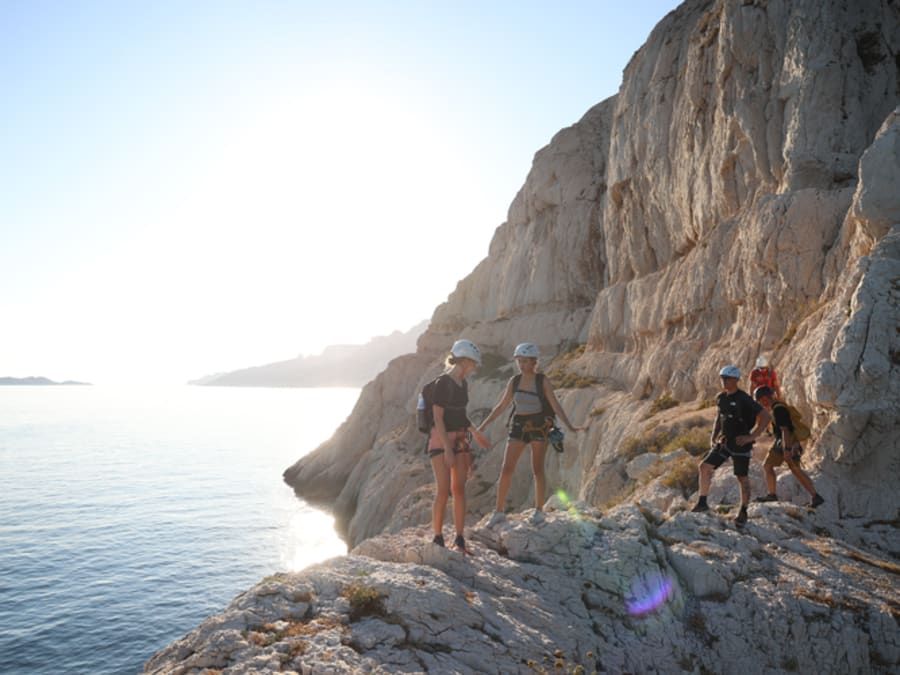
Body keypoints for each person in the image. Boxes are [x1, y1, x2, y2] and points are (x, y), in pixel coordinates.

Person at [477, 343, 587, 526]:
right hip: (518, 425)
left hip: (539, 427)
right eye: (519, 361)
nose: (521, 364)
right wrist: (484, 424)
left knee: (537, 469)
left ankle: (538, 510)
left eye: (525, 361)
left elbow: (555, 405)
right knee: (506, 468)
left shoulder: (542, 381)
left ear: (534, 362)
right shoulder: (514, 381)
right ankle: (498, 512)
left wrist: (570, 425)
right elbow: (502, 406)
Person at [426, 339, 489, 554]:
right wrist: (447, 449)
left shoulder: (464, 384)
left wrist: (476, 433)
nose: (475, 367)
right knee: (443, 490)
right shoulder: (443, 383)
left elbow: (460, 416)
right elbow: (438, 418)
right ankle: (437, 538)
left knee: (459, 490)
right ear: (463, 361)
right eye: (473, 363)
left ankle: (460, 540)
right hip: (440, 440)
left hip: (460, 437)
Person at [692, 365, 770, 526]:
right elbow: (719, 417)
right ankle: (702, 503)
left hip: (741, 444)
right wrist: (713, 436)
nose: (724, 381)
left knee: (742, 478)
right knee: (704, 467)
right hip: (725, 442)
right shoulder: (722, 397)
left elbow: (765, 416)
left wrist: (751, 437)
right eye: (722, 378)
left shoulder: (744, 399)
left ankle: (743, 511)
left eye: (727, 378)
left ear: (735, 380)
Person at [752, 386, 825, 508]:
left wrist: (786, 449)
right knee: (791, 468)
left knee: (773, 466)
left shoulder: (778, 409)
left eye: (759, 400)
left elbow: (785, 430)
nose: (760, 403)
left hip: (785, 442)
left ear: (764, 398)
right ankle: (815, 496)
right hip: (788, 442)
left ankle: (773, 495)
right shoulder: (779, 407)